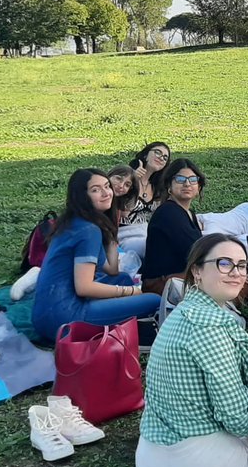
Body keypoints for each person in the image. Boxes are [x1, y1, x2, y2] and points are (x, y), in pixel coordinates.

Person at [136, 234, 248, 467]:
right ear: (197, 271)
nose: (236, 273)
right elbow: (238, 420)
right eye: (224, 263)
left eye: (242, 265)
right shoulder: (211, 328)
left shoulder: (180, 314)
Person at [31, 169, 160, 341]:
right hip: (64, 320)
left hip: (45, 315)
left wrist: (111, 234)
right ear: (82, 196)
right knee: (154, 301)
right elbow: (84, 288)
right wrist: (131, 291)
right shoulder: (88, 230)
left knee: (122, 278)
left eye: (107, 186)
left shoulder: (76, 221)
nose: (106, 193)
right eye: (95, 190)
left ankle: (119, 320)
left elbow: (111, 270)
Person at [142, 158, 206, 294]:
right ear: (169, 186)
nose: (187, 184)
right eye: (180, 179)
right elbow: (194, 251)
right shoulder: (168, 212)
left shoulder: (189, 213)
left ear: (198, 187)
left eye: (193, 180)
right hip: (161, 283)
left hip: (181, 277)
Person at [127, 142, 172, 224]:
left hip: (147, 230)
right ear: (145, 155)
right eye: (158, 152)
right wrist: (131, 179)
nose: (161, 158)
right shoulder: (126, 176)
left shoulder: (158, 187)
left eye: (165, 158)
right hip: (122, 229)